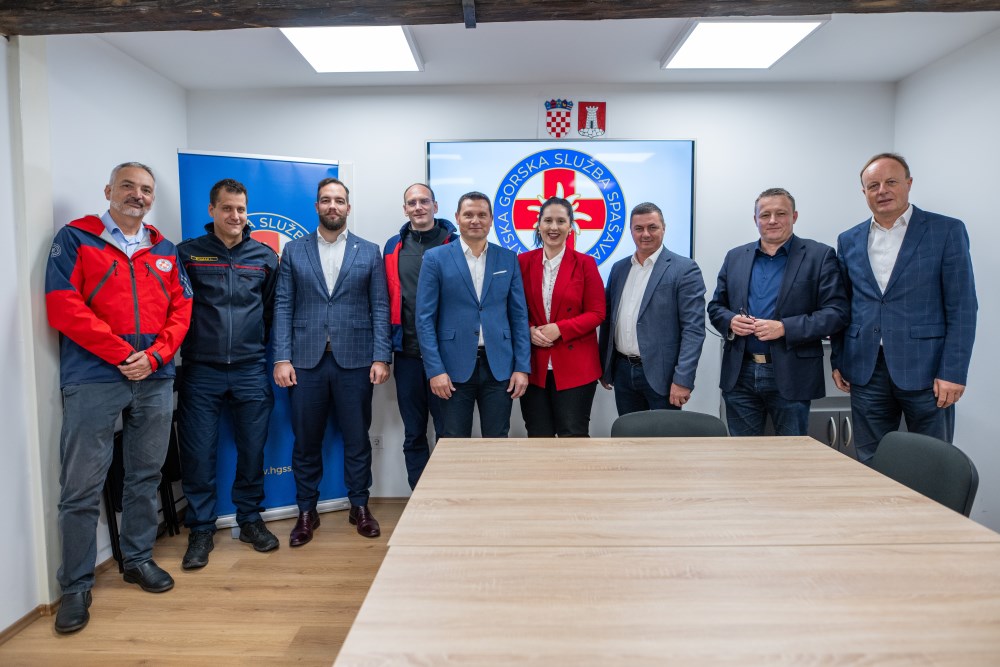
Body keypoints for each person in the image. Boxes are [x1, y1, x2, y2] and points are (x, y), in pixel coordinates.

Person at [45, 162, 192, 634]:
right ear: (109, 189)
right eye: (128, 186)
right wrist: (123, 353)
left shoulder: (164, 249)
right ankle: (75, 585)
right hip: (93, 377)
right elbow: (62, 305)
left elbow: (182, 308)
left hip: (154, 376)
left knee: (145, 476)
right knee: (81, 487)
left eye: (145, 189)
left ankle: (137, 559)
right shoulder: (76, 239)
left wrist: (157, 356)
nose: (137, 195)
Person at [831, 153, 977, 462]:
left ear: (908, 184)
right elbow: (844, 306)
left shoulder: (945, 231)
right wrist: (839, 359)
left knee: (932, 462)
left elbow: (962, 308)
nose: (882, 190)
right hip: (866, 370)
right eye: (873, 185)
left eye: (891, 182)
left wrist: (953, 372)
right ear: (864, 192)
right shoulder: (849, 239)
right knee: (871, 460)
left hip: (928, 371)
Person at [272, 177, 391, 544]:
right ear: (317, 206)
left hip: (356, 361)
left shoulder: (369, 251)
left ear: (348, 208)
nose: (333, 206)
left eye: (339, 200)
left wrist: (381, 356)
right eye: (326, 200)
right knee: (306, 442)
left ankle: (359, 506)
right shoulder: (294, 250)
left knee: (357, 439)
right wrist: (281, 357)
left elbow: (380, 307)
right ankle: (306, 512)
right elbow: (283, 305)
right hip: (305, 363)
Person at [176, 178, 280, 570]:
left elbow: (271, 311)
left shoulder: (264, 256)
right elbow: (177, 309)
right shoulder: (188, 254)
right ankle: (201, 529)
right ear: (212, 210)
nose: (235, 216)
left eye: (240, 209)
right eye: (227, 208)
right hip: (201, 371)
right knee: (199, 454)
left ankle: (249, 520)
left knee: (252, 450)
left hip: (251, 369)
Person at [707, 188, 848, 436]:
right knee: (742, 453)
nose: (772, 220)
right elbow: (716, 307)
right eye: (765, 215)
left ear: (794, 216)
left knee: (791, 453)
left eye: (780, 213)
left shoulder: (819, 256)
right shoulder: (735, 257)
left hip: (792, 373)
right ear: (755, 219)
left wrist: (784, 328)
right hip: (740, 373)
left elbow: (836, 313)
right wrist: (730, 321)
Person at [416, 191, 531, 438]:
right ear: (457, 217)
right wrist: (435, 370)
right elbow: (424, 320)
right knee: (453, 442)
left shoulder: (508, 258)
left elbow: (519, 317)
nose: (475, 220)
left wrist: (522, 367)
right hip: (451, 367)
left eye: (482, 215)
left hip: (499, 366)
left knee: (497, 441)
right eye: (468, 215)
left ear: (491, 219)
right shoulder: (435, 258)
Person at [599, 201, 706, 415]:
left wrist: (683, 379)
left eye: (652, 227)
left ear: (663, 228)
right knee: (630, 433)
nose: (645, 234)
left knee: (665, 435)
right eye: (639, 228)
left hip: (664, 376)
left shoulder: (685, 269)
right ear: (631, 231)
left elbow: (693, 330)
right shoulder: (619, 268)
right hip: (622, 371)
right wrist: (605, 367)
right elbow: (608, 321)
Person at [383, 184, 457, 488]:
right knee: (413, 433)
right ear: (405, 209)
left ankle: (447, 495)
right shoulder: (393, 246)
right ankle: (419, 497)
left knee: (448, 434)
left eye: (424, 201)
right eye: (411, 203)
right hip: (408, 356)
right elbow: (384, 300)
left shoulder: (455, 243)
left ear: (435, 206)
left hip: (447, 357)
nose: (418, 207)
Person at [517, 197, 605, 436]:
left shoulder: (586, 264)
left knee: (573, 435)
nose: (553, 227)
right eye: (547, 220)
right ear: (538, 225)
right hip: (534, 366)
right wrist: (528, 329)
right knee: (538, 435)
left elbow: (597, 312)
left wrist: (560, 328)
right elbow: (512, 309)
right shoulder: (522, 262)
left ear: (570, 226)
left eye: (560, 221)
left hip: (576, 366)